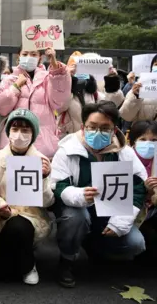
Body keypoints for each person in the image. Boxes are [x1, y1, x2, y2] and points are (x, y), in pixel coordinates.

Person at [51, 101, 147, 288]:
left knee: (136, 243)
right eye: (92, 127)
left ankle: (96, 248)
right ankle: (66, 261)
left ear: (114, 130)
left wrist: (121, 221)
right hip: (78, 210)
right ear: (83, 127)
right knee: (75, 217)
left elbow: (138, 187)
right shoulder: (68, 150)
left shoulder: (124, 153)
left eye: (105, 128)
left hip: (111, 212)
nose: (98, 132)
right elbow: (58, 185)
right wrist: (79, 195)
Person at [0, 109, 54, 285]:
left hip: (29, 216)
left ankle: (28, 265)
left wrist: (44, 178)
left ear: (33, 134)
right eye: (15, 128)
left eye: (26, 130)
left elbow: (48, 201)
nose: (19, 134)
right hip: (0, 214)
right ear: (8, 131)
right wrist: (0, 205)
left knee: (19, 227)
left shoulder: (41, 161)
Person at [0, 46, 71, 158]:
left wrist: (54, 64)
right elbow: (0, 108)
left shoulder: (49, 78)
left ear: (40, 57)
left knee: (42, 174)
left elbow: (59, 102)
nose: (29, 57)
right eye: (25, 54)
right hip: (14, 141)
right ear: (18, 57)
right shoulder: (9, 79)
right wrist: (16, 86)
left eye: (33, 54)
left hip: (43, 143)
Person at [127, 121, 157, 263]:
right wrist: (145, 192)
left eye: (154, 140)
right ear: (133, 142)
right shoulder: (123, 160)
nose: (149, 144)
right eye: (143, 139)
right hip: (132, 213)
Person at [119, 55, 157, 123]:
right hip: (144, 132)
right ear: (151, 68)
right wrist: (135, 96)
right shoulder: (141, 87)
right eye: (156, 64)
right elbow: (126, 116)